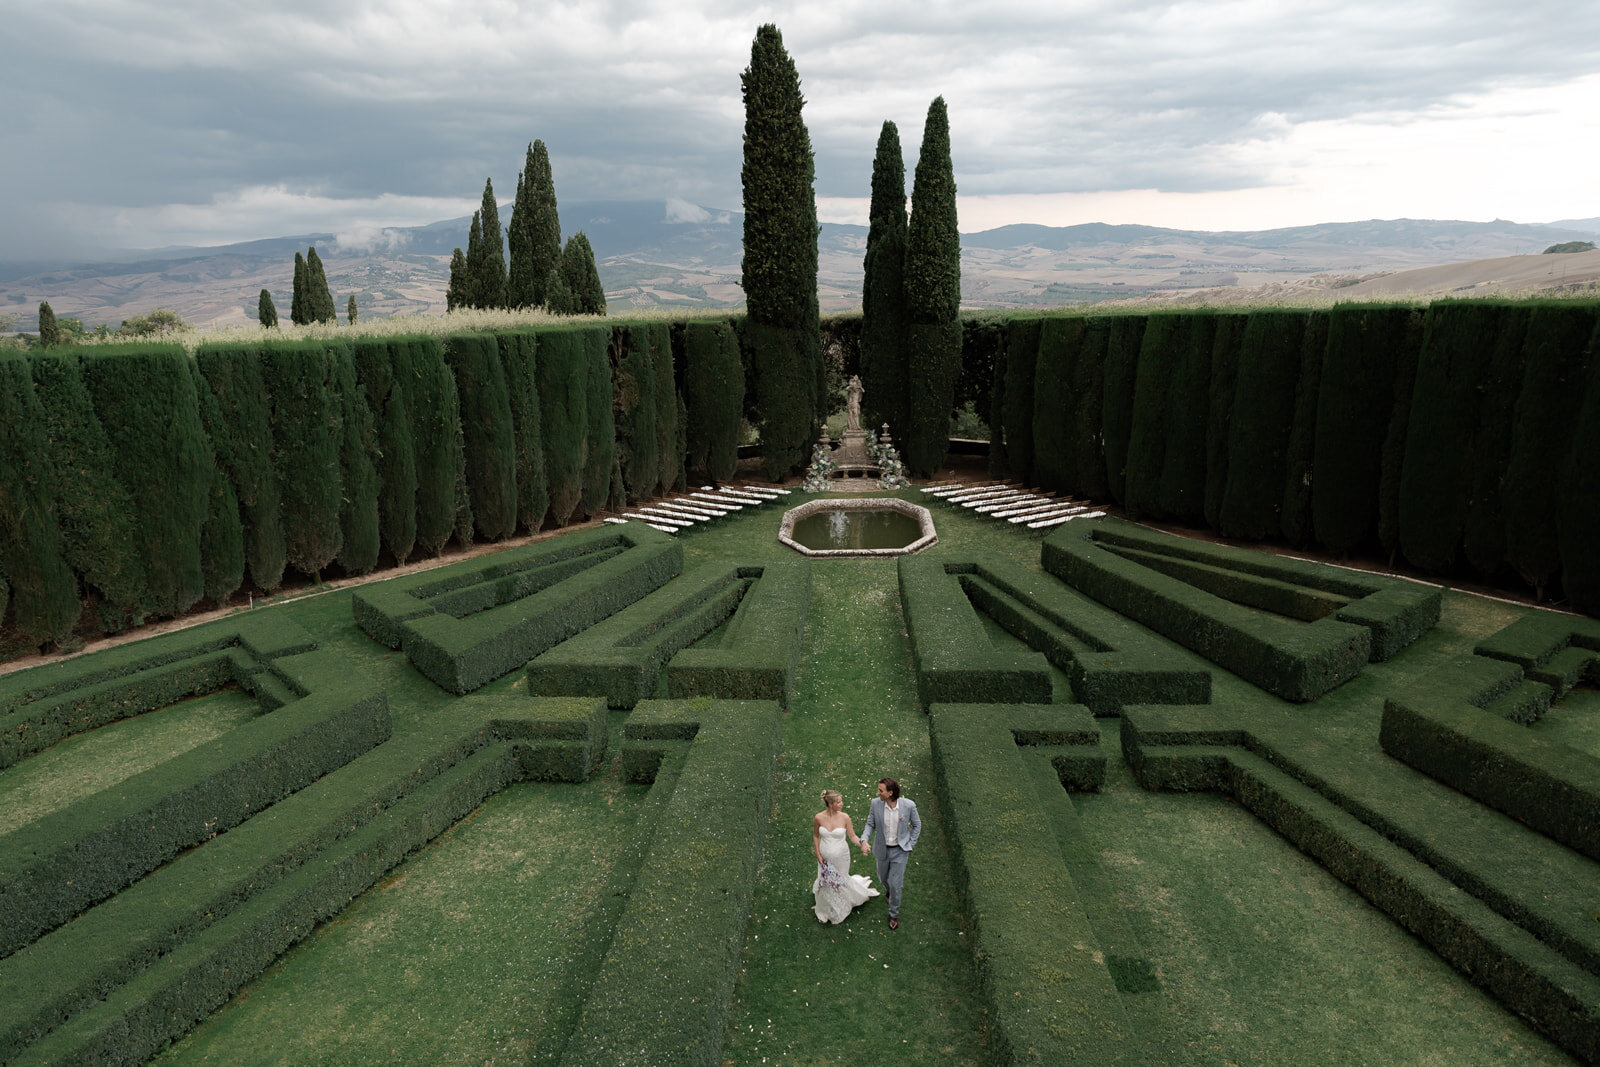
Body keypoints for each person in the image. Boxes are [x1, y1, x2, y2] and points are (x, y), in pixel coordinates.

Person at [860, 776, 920, 930]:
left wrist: (910, 844)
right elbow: (870, 824)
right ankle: (888, 891)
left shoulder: (909, 805)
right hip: (882, 849)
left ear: (890, 792)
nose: (878, 793)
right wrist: (864, 840)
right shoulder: (875, 804)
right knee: (882, 877)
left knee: (895, 884)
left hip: (900, 851)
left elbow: (917, 825)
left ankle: (893, 914)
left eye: (881, 790)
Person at [812, 789, 878, 924]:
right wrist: (818, 854)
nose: (841, 804)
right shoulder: (818, 817)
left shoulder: (845, 818)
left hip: (841, 857)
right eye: (838, 802)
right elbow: (816, 835)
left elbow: (852, 836)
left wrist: (862, 844)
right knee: (826, 882)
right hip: (824, 859)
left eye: (841, 801)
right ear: (830, 804)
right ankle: (825, 909)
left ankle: (842, 904)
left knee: (840, 880)